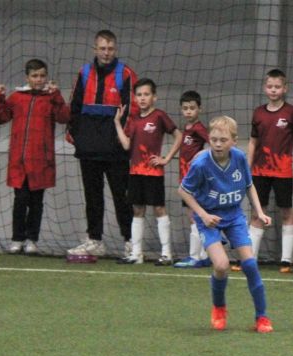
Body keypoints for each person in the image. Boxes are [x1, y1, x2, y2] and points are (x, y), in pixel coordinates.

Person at [178, 116, 274, 333]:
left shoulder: (239, 158)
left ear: (234, 141)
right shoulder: (201, 164)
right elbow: (183, 191)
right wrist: (203, 215)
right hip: (209, 220)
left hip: (234, 216)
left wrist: (259, 212)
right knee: (221, 266)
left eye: (223, 140)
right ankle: (219, 307)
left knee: (250, 264)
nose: (218, 144)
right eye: (214, 140)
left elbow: (249, 185)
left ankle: (262, 317)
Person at [66, 29, 137, 260]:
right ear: (95, 49)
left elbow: (132, 109)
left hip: (115, 150)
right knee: (92, 197)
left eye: (110, 49)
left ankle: (130, 242)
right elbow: (74, 106)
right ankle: (94, 240)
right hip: (88, 148)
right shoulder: (84, 73)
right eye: (102, 48)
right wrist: (76, 136)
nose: (106, 53)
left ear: (115, 50)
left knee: (122, 196)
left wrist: (122, 139)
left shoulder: (125, 74)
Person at [0, 59, 71, 255]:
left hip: (41, 161)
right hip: (19, 160)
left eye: (42, 76)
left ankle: (31, 239)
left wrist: (57, 96)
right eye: (35, 76)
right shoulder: (17, 97)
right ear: (27, 77)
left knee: (36, 202)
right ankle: (17, 239)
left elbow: (64, 117)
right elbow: (0, 118)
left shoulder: (50, 98)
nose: (39, 79)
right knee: (20, 200)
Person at [245, 68, 293, 274]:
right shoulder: (258, 112)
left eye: (277, 87)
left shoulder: (292, 112)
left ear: (285, 88)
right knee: (257, 212)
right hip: (259, 171)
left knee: (286, 211)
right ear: (264, 88)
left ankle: (286, 260)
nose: (273, 90)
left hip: (282, 172)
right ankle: (250, 259)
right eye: (270, 86)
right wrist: (247, 167)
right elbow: (253, 141)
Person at [113, 78, 182, 265]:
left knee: (159, 208)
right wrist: (117, 123)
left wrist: (166, 158)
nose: (142, 98)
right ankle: (136, 254)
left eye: (146, 94)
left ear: (154, 97)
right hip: (135, 172)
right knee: (137, 209)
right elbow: (127, 145)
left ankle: (166, 253)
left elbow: (179, 136)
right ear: (135, 98)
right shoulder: (134, 120)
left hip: (153, 173)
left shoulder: (159, 116)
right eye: (139, 95)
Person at [172, 90, 211, 268]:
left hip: (194, 180)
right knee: (195, 216)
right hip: (186, 178)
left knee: (194, 216)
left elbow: (213, 143)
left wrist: (201, 154)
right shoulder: (186, 129)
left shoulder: (198, 128)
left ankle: (195, 256)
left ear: (199, 109)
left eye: (192, 108)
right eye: (185, 108)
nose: (188, 111)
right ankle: (203, 255)